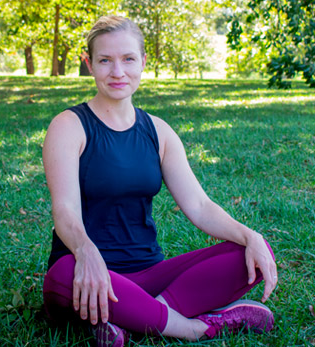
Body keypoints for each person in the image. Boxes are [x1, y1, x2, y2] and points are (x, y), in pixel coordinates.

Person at [42, 15, 277, 346]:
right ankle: (197, 328)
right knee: (62, 274)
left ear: (143, 62)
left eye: (128, 59)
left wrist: (249, 235)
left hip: (149, 276)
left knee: (250, 252)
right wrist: (85, 251)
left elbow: (199, 206)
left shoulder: (159, 132)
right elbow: (64, 208)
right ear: (89, 64)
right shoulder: (68, 126)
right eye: (105, 60)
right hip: (83, 273)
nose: (117, 71)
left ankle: (135, 318)